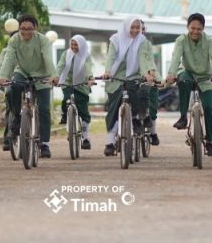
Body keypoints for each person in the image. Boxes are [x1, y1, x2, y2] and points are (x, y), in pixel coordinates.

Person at [0, 14, 58, 158]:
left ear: (35, 29)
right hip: (22, 72)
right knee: (13, 88)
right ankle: (17, 118)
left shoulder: (43, 40)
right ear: (19, 29)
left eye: (29, 29)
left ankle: (44, 144)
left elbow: (48, 58)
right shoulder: (14, 40)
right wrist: (3, 76)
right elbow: (9, 59)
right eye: (23, 29)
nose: (26, 32)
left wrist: (53, 75)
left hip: (42, 74)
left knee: (44, 109)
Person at [167, 12, 212, 157]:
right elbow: (176, 58)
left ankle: (211, 141)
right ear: (188, 27)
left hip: (205, 78)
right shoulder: (181, 40)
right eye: (192, 28)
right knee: (183, 81)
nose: (195, 31)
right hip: (187, 73)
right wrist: (171, 73)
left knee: (209, 107)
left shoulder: (210, 42)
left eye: (199, 29)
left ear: (203, 29)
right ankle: (183, 117)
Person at [102, 16, 156, 157]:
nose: (135, 30)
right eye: (132, 27)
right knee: (114, 108)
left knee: (137, 93)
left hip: (134, 76)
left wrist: (145, 74)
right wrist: (107, 71)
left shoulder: (142, 41)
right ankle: (110, 142)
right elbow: (110, 57)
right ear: (126, 27)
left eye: (138, 28)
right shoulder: (115, 39)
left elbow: (142, 59)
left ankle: (135, 118)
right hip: (116, 76)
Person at [56, 35, 94, 150]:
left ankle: (85, 138)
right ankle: (66, 116)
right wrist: (56, 76)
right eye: (72, 44)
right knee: (66, 100)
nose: (73, 47)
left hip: (82, 85)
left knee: (83, 112)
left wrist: (90, 78)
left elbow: (88, 67)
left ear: (81, 45)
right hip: (67, 83)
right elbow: (60, 66)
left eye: (76, 45)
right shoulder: (66, 54)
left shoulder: (86, 55)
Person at [140, 21, 162, 146]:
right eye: (138, 28)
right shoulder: (125, 42)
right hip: (131, 76)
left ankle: (153, 132)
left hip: (148, 75)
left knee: (153, 98)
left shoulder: (147, 43)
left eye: (142, 28)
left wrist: (155, 76)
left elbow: (150, 62)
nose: (140, 31)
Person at [0, 18, 19, 152]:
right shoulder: (6, 51)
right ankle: (7, 139)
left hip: (24, 82)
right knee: (10, 110)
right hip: (10, 83)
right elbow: (1, 66)